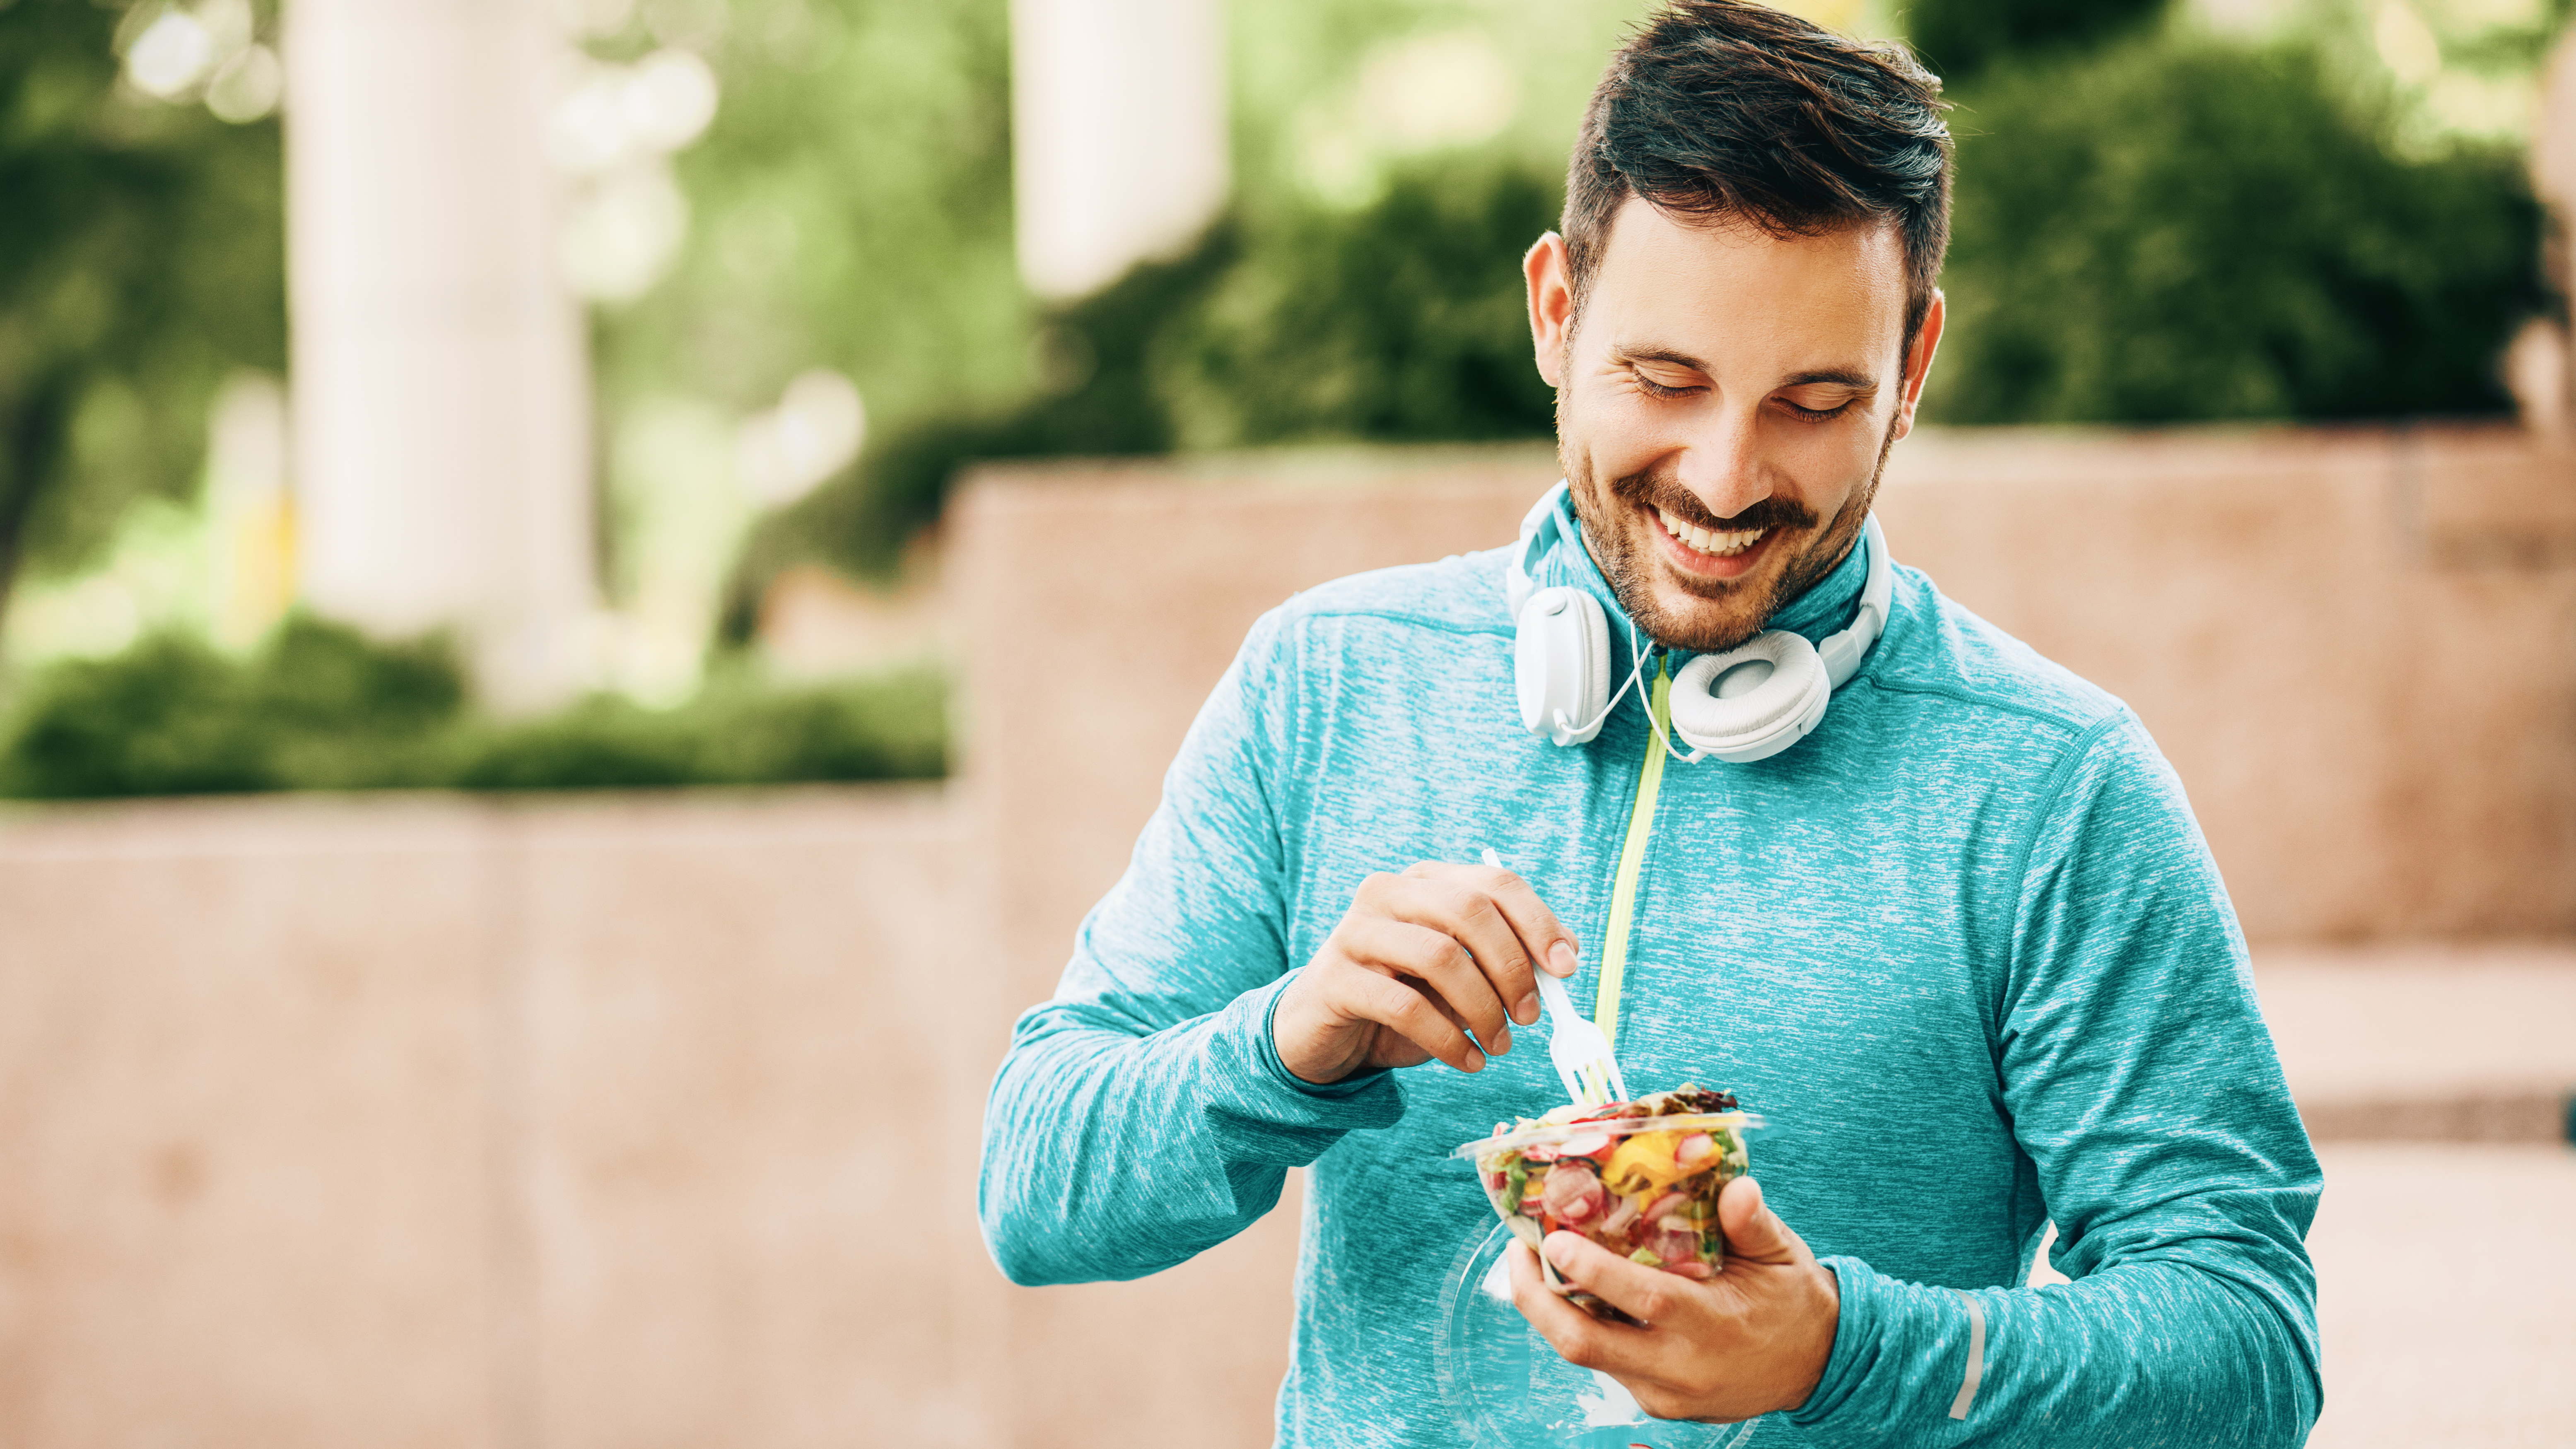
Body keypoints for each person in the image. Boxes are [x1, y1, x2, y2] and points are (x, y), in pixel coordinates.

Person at [977, 2, 2323, 1444]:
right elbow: (1036, 1189)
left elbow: (2245, 1341)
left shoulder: (2052, 786)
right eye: (1664, 380)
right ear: (1556, 310)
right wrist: (1287, 1043)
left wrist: (1842, 1353)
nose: (1727, 479)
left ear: (1913, 367)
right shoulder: (1327, 681)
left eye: (1813, 401)